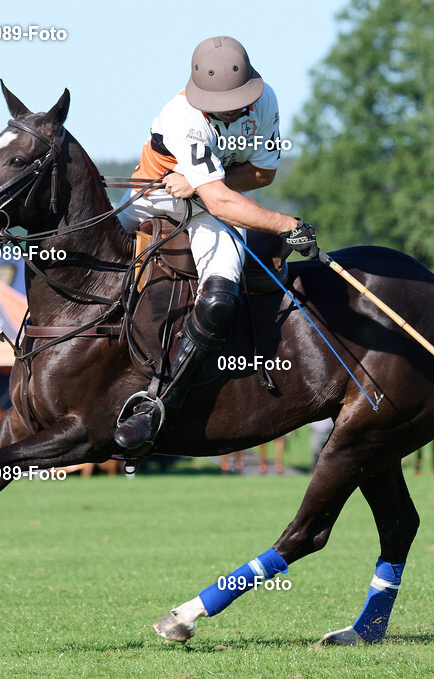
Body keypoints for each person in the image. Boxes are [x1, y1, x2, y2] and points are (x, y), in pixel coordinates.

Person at [114, 36, 320, 451]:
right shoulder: (182, 117)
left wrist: (200, 182)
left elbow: (262, 175)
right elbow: (223, 197)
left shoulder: (265, 102)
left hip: (212, 206)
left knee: (219, 300)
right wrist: (286, 224)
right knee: (97, 257)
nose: (227, 109)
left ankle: (159, 404)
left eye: (236, 101)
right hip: (154, 195)